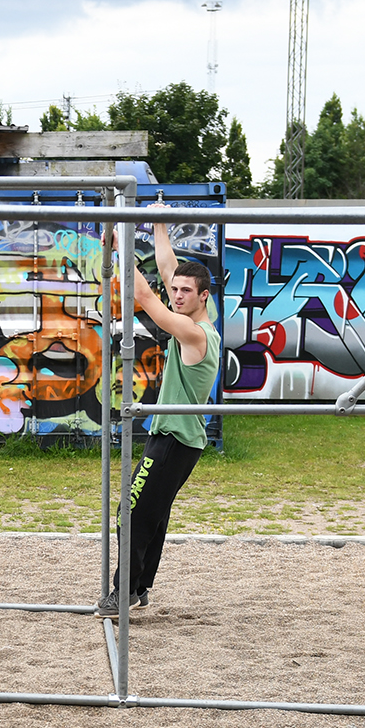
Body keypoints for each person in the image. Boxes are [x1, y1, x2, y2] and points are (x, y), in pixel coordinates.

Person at [96, 211, 221, 617]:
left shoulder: (194, 332)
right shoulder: (205, 320)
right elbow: (167, 273)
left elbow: (146, 298)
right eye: (177, 290)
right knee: (153, 514)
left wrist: (122, 245)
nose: (178, 295)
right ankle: (141, 587)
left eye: (186, 291)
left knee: (129, 513)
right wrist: (159, 226)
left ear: (204, 297)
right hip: (180, 441)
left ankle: (125, 593)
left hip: (173, 441)